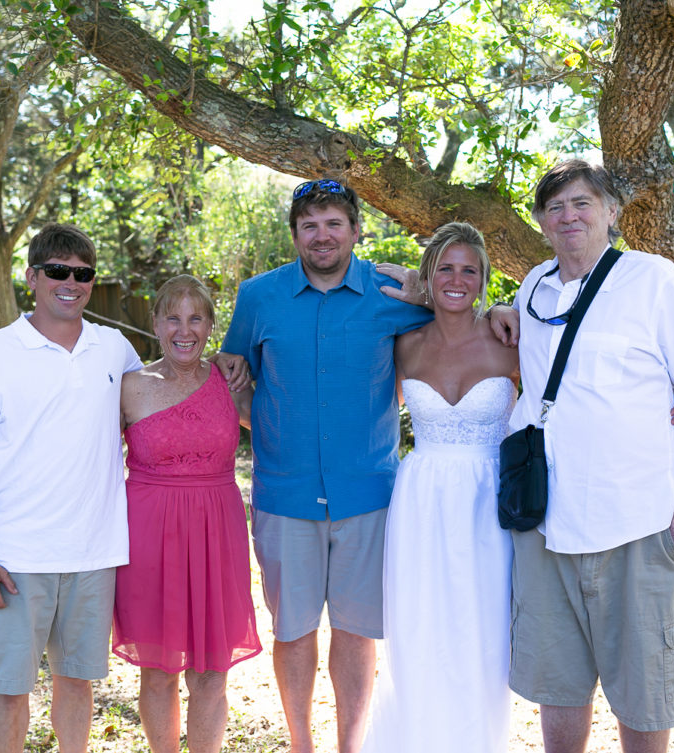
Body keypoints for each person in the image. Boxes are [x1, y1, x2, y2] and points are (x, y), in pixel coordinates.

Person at [490, 160, 674, 753]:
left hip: (639, 527)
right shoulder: (534, 286)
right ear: (542, 222)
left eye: (582, 203)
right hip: (547, 527)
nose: (568, 215)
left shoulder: (653, 279)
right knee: (558, 688)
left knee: (645, 695)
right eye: (555, 206)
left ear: (612, 214)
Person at [220, 178, 432, 753]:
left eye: (334, 223)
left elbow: (450, 338)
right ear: (294, 235)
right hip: (284, 496)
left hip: (368, 494)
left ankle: (349, 746)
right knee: (292, 630)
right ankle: (300, 744)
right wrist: (267, 425)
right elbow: (233, 374)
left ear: (356, 231)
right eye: (310, 225)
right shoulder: (257, 296)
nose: (322, 235)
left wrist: (490, 308)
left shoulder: (396, 294)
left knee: (357, 630)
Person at [0, 223, 144, 753]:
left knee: (77, 683)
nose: (71, 282)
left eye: (83, 273)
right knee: (9, 692)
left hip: (95, 552)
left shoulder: (115, 348)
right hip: (16, 556)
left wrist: (223, 368)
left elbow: (161, 397)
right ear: (32, 276)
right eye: (58, 270)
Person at [361, 223, 519, 753]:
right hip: (421, 501)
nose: (457, 280)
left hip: (489, 501)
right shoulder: (404, 343)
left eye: (468, 270)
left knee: (484, 632)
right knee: (421, 629)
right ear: (428, 277)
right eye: (444, 268)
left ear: (484, 279)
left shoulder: (510, 341)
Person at [112, 275, 261, 753]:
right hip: (150, 538)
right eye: (173, 317)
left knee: (211, 673)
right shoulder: (130, 387)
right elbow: (81, 450)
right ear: (155, 322)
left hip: (217, 534)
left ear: (211, 325)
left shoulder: (230, 381)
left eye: (196, 318)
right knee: (157, 672)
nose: (184, 329)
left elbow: (282, 429)